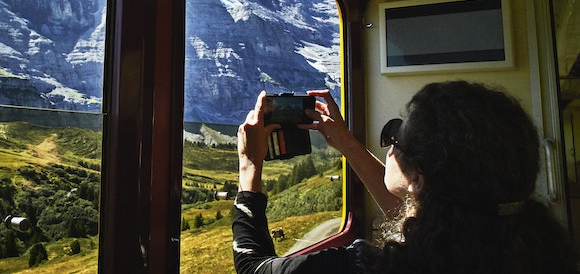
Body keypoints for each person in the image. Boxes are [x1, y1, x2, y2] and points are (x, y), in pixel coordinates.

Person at [233, 81, 577, 274]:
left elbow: (252, 268)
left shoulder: (368, 267)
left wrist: (250, 166)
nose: (389, 143)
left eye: (396, 135)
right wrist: (347, 143)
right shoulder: (532, 249)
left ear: (420, 178)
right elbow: (419, 207)